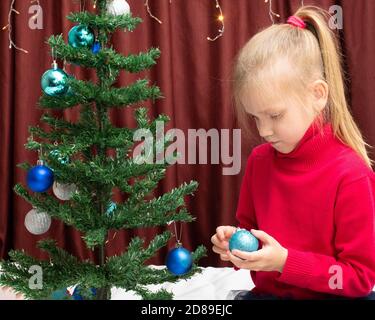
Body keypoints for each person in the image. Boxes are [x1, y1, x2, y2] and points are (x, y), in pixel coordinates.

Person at [211, 6, 375, 300]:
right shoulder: (260, 162)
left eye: (274, 115)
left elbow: (359, 278)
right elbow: (252, 233)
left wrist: (286, 262)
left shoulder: (351, 175)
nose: (264, 131)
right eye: (255, 118)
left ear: (317, 95)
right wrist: (234, 244)